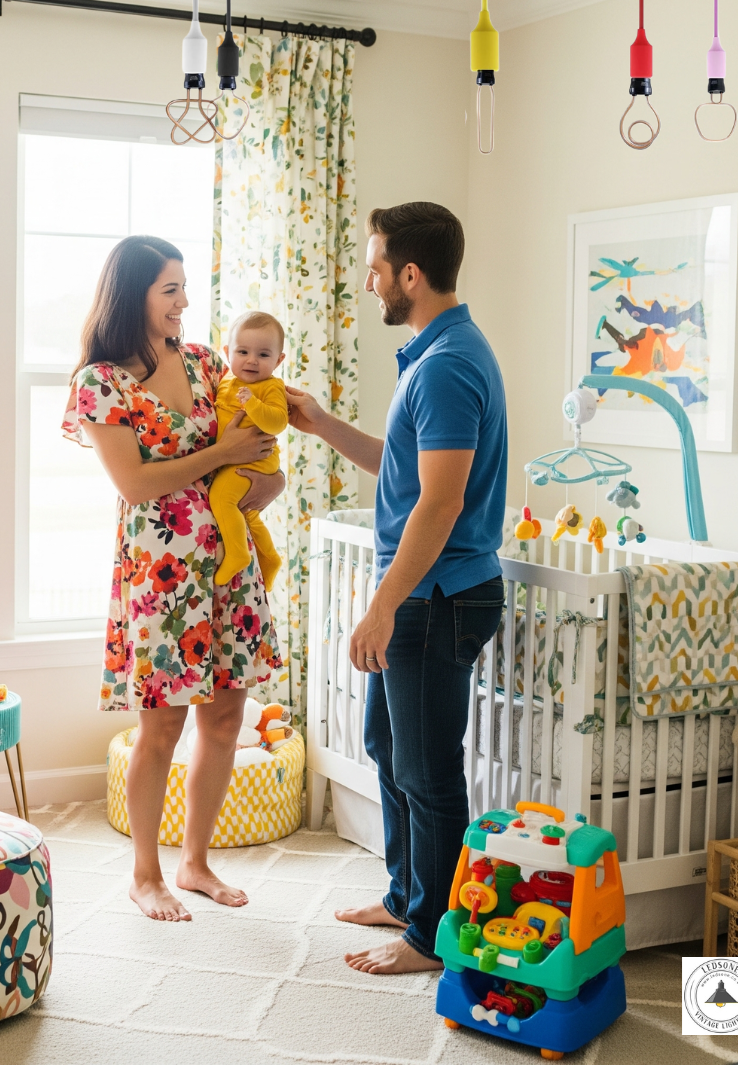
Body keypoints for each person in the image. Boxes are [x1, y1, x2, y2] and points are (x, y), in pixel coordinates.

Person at [286, 202, 507, 973]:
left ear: (411, 274)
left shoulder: (446, 367)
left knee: (427, 768)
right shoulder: (432, 353)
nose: (370, 278)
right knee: (388, 747)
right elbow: (406, 466)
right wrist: (319, 423)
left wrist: (383, 606)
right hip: (422, 593)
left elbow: (440, 502)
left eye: (377, 265)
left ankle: (433, 934)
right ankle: (407, 895)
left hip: (437, 598)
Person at [63, 235, 284, 922]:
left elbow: (260, 462)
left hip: (229, 562)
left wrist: (262, 481)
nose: (185, 302)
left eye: (185, 288)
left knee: (224, 718)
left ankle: (195, 864)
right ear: (134, 296)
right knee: (159, 729)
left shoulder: (205, 362)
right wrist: (222, 453)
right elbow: (134, 482)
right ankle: (145, 874)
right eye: (170, 290)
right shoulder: (101, 382)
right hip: (161, 573)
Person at [209, 311, 288, 590]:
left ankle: (238, 554)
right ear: (228, 352)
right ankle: (270, 558)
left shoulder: (270, 386)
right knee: (248, 513)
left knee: (221, 497)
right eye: (243, 351)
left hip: (257, 460)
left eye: (264, 355)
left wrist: (252, 404)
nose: (252, 360)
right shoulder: (226, 381)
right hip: (234, 459)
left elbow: (278, 422)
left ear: (279, 360)